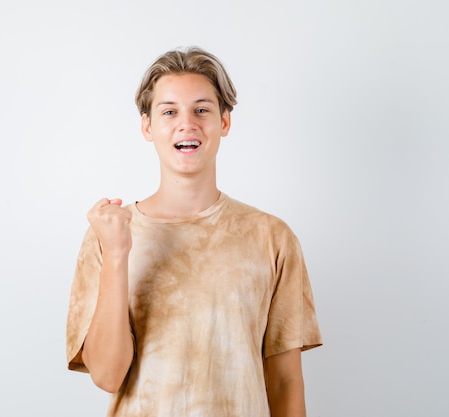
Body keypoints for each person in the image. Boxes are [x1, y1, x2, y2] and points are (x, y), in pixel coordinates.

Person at [66, 46, 322, 417]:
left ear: (224, 122)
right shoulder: (107, 235)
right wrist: (117, 255)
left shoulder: (272, 237)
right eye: (169, 111)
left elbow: (284, 381)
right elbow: (108, 375)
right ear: (148, 126)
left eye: (201, 109)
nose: (187, 123)